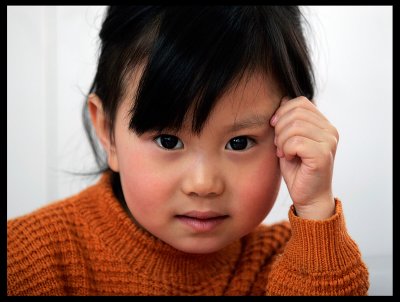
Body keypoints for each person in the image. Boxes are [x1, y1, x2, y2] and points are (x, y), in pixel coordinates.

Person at [7, 6, 369, 296]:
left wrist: (316, 209)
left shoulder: (294, 265)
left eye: (239, 143)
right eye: (168, 141)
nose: (203, 184)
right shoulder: (28, 260)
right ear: (107, 131)